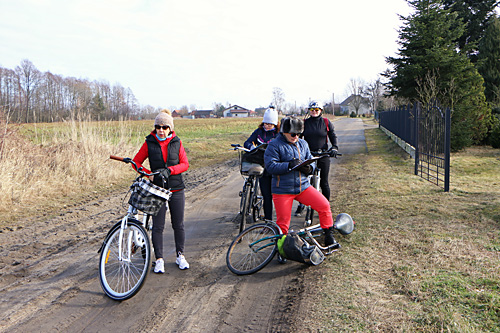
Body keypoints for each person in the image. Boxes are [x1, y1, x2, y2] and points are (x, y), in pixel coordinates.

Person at [264, 116, 338, 246]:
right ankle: (281, 248)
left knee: (324, 205)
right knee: (283, 222)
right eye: (293, 134)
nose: (296, 136)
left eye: (298, 134)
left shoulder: (303, 144)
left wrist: (309, 168)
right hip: (282, 190)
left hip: (302, 187)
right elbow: (270, 166)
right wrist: (289, 165)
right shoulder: (274, 145)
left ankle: (328, 235)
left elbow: (310, 159)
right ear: (284, 132)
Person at [132, 110, 190, 273]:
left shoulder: (177, 142)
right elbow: (136, 162)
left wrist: (170, 170)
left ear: (170, 128)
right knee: (158, 226)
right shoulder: (149, 142)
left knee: (178, 224)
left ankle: (180, 256)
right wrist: (147, 174)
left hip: (176, 188)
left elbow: (185, 164)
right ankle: (159, 260)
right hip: (157, 190)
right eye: (158, 126)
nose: (161, 130)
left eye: (165, 127)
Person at [294, 101, 338, 216]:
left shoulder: (326, 122)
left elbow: (332, 135)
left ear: (321, 111)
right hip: (308, 155)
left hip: (323, 154)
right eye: (312, 110)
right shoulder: (304, 123)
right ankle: (301, 205)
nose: (314, 112)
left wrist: (334, 147)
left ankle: (326, 207)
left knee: (324, 182)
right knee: (303, 181)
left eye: (317, 110)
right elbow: (298, 138)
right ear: (309, 111)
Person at [243, 106, 280, 220]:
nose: (267, 126)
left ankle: (276, 221)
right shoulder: (259, 132)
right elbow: (247, 142)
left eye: (270, 124)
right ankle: (268, 220)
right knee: (266, 196)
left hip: (273, 167)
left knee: (275, 196)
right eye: (265, 123)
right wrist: (252, 147)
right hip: (260, 165)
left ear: (275, 124)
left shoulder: (279, 134)